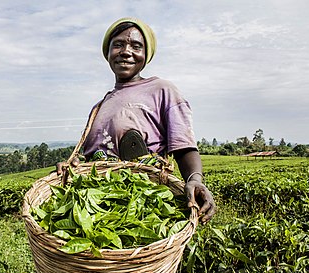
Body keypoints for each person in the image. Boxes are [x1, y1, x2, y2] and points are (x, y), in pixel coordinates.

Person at [59, 17, 216, 224]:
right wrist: (73, 166)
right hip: (98, 211)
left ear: (146, 54)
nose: (126, 51)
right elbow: (91, 159)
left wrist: (195, 180)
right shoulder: (99, 107)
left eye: (136, 46)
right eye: (118, 44)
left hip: (146, 208)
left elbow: (184, 146)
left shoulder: (162, 90)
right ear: (108, 52)